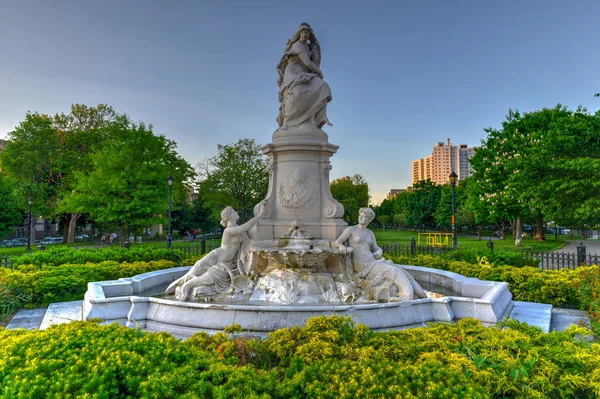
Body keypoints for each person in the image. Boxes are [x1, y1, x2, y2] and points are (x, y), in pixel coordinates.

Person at [165, 202, 267, 301]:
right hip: (215, 256)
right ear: (229, 216)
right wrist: (261, 214)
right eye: (233, 211)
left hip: (223, 261)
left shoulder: (237, 228)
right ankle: (175, 287)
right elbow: (247, 225)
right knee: (192, 272)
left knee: (198, 275)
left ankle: (184, 286)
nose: (236, 212)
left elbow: (248, 237)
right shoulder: (229, 230)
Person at [335, 208, 427, 302]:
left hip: (373, 262)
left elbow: (376, 248)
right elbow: (338, 241)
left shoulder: (370, 233)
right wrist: (341, 247)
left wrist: (379, 251)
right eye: (360, 215)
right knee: (392, 270)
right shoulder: (351, 230)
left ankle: (423, 296)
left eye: (364, 216)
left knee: (403, 272)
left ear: (369, 220)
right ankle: (406, 295)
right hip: (363, 266)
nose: (361, 217)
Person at [276, 22, 332, 130]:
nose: (305, 34)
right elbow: (308, 63)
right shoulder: (297, 45)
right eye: (303, 32)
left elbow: (312, 61)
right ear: (299, 33)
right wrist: (319, 72)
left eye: (307, 32)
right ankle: (288, 122)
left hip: (305, 73)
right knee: (296, 92)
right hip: (293, 73)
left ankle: (318, 120)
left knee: (323, 86)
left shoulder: (308, 46)